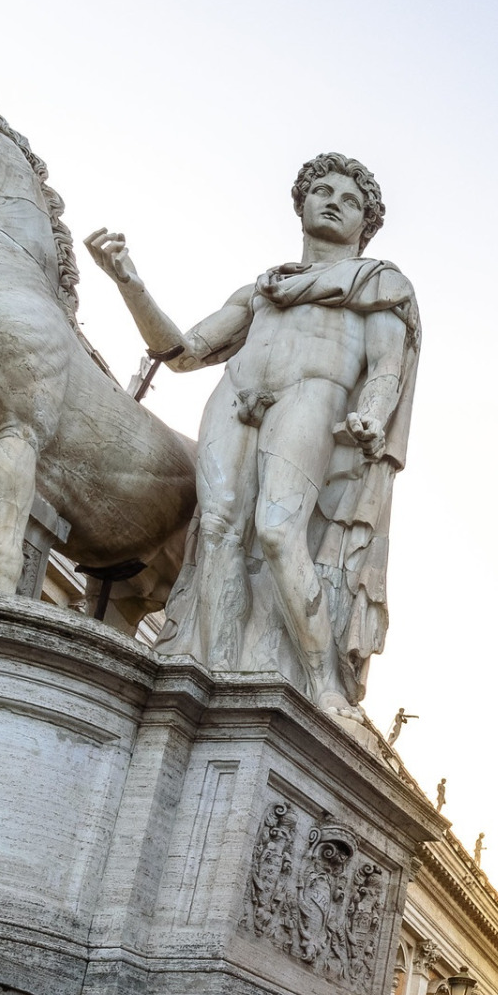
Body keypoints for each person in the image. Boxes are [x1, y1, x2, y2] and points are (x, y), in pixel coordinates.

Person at [86, 155, 419, 720]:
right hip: (236, 397)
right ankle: (206, 677)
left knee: (277, 529)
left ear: (366, 224)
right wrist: (129, 284)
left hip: (313, 395)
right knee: (215, 530)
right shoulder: (261, 290)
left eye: (351, 199)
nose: (333, 200)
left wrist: (371, 411)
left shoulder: (378, 283)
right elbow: (182, 353)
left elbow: (387, 365)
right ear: (302, 204)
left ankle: (323, 685)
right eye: (321, 190)